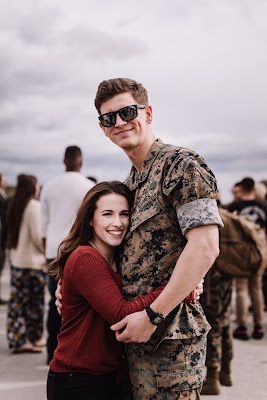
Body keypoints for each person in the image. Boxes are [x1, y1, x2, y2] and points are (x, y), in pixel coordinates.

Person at [57, 78, 223, 399]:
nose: (119, 122)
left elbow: (205, 245)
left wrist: (154, 314)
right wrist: (67, 285)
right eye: (109, 118)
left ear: (147, 113)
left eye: (127, 112)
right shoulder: (129, 184)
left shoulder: (181, 167)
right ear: (103, 128)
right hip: (132, 346)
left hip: (170, 344)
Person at [46, 181, 200, 400]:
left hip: (110, 377)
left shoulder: (123, 258)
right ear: (90, 218)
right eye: (107, 214)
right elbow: (121, 315)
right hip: (78, 381)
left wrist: (188, 281)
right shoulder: (85, 258)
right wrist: (181, 288)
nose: (117, 223)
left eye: (124, 214)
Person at [40, 145, 94, 364]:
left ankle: (52, 350)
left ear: (64, 161)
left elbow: (42, 227)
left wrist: (48, 251)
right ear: (80, 162)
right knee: (77, 306)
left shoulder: (49, 187)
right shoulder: (89, 187)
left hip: (54, 251)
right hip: (78, 251)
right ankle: (73, 351)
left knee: (55, 303)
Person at [6, 175, 47, 353]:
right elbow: (38, 238)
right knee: (35, 304)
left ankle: (18, 339)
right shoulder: (34, 207)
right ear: (32, 188)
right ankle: (34, 338)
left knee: (18, 304)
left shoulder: (15, 206)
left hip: (17, 261)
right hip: (33, 264)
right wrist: (48, 250)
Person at [228, 177, 267, 340]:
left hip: (240, 252)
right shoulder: (263, 207)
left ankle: (242, 327)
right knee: (256, 288)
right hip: (259, 250)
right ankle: (258, 326)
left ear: (241, 188)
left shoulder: (234, 207)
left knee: (241, 289)